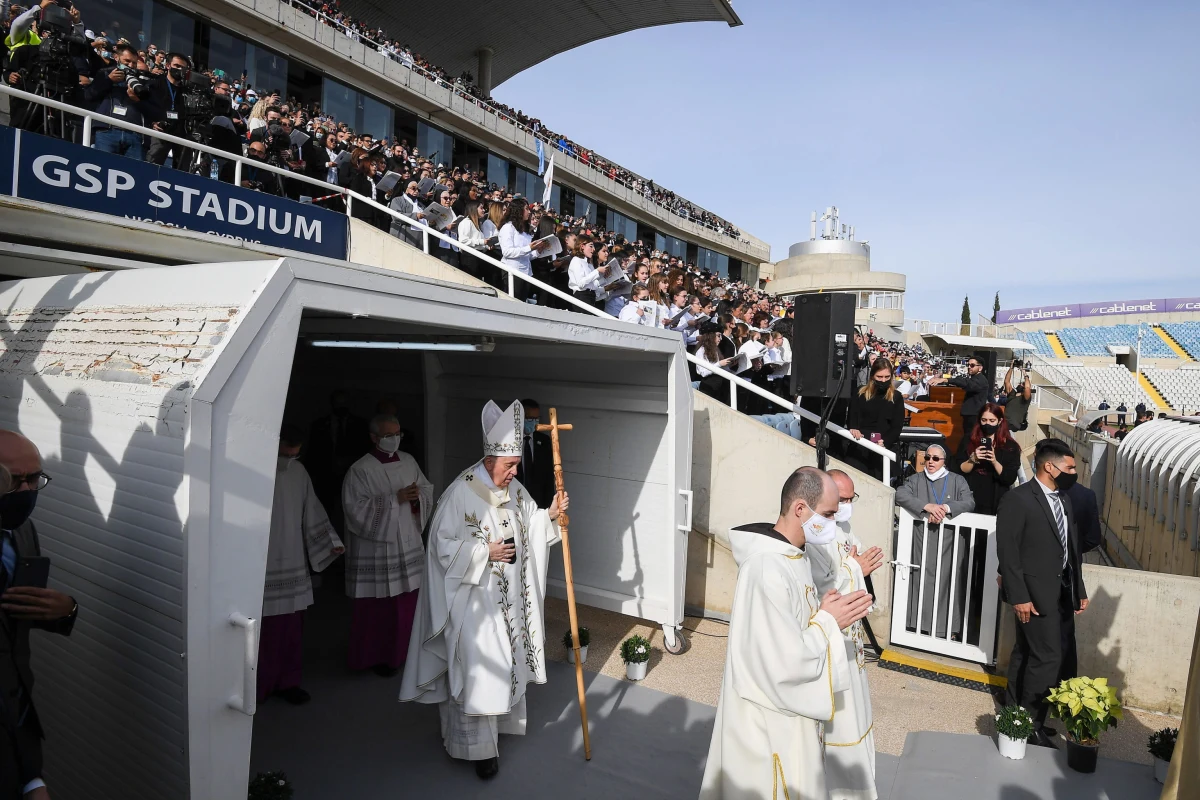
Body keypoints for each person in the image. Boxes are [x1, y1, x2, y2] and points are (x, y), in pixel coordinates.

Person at [400, 400, 568, 780]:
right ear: (489, 459)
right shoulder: (461, 492)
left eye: (515, 466)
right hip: (473, 606)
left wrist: (550, 516)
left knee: (504, 667)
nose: (514, 472)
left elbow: (529, 522)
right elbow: (440, 546)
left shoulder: (514, 486)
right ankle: (477, 750)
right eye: (509, 466)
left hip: (507, 606)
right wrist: (483, 552)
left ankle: (495, 734)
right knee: (479, 674)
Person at [700, 467, 872, 800]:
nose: (834, 524)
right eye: (829, 514)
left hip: (790, 720)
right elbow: (782, 662)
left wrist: (822, 612)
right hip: (767, 726)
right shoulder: (766, 568)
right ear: (799, 510)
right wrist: (827, 622)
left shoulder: (795, 557)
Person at [0, 429, 79, 800]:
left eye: (36, 479)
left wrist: (65, 610)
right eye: (17, 480)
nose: (29, 491)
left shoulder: (22, 531)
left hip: (17, 725)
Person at [997, 439, 1088, 748]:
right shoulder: (1018, 500)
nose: (1074, 472)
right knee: (1048, 657)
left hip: (1061, 591)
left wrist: (1079, 590)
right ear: (1050, 466)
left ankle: (1015, 715)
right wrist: (1019, 596)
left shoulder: (1064, 499)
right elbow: (1008, 553)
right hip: (1033, 594)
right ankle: (1031, 724)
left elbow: (1071, 550)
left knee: (1027, 653)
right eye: (1070, 467)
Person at [807, 469, 883, 800]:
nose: (848, 506)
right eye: (844, 500)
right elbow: (823, 593)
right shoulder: (815, 538)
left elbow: (853, 573)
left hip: (852, 643)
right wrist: (856, 569)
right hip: (830, 643)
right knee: (838, 722)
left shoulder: (845, 530)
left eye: (853, 499)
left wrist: (859, 571)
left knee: (857, 711)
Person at [341, 414, 433, 676]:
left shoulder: (408, 460)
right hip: (378, 548)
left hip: (407, 539)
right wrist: (395, 499)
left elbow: (425, 488)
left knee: (407, 604)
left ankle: (406, 652)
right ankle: (376, 656)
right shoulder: (360, 469)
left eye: (398, 434)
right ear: (373, 437)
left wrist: (418, 498)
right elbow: (353, 510)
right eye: (388, 435)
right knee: (378, 608)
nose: (395, 440)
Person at [258, 424, 344, 705]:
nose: (289, 461)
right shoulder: (253, 469)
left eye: (294, 455)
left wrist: (327, 541)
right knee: (261, 630)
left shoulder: (299, 472)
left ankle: (288, 681)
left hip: (292, 557)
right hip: (260, 560)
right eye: (284, 454)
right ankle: (258, 685)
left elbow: (312, 510)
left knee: (291, 626)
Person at [894, 444, 976, 638]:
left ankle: (946, 628)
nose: (930, 462)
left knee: (948, 582)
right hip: (922, 540)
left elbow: (969, 502)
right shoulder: (915, 479)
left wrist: (945, 508)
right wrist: (926, 506)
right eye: (928, 458)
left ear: (944, 461)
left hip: (950, 542)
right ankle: (915, 624)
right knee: (919, 580)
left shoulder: (957, 480)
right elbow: (900, 494)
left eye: (935, 458)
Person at [1059, 476, 1101, 684]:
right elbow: (1093, 538)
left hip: (1038, 576)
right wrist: (1073, 552)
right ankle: (1064, 690)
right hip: (1070, 575)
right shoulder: (1086, 495)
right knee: (1065, 635)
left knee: (1030, 639)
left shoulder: (1032, 494)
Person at [955, 403, 1020, 515]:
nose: (987, 424)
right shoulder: (968, 440)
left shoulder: (1009, 446)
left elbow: (1009, 478)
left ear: (999, 421)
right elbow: (958, 469)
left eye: (991, 420)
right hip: (970, 496)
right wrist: (973, 459)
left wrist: (994, 461)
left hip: (995, 499)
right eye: (984, 420)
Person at [847, 358, 906, 482]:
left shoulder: (896, 397)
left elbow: (897, 426)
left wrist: (885, 442)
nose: (883, 380)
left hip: (883, 447)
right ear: (872, 376)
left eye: (886, 377)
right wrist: (853, 429)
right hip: (860, 446)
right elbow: (852, 417)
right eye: (879, 377)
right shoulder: (860, 393)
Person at [499, 198, 550, 303]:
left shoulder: (525, 232)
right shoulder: (508, 227)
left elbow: (527, 256)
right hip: (512, 272)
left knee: (522, 303)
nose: (529, 212)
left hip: (526, 273)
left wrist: (538, 251)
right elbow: (507, 252)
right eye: (526, 209)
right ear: (518, 210)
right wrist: (529, 248)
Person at [931, 356, 989, 438]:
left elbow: (967, 384)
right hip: (971, 416)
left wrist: (946, 380)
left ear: (980, 368)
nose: (969, 367)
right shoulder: (974, 378)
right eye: (968, 365)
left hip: (974, 416)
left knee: (969, 440)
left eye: (972, 365)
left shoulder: (980, 380)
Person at [514, 399, 555, 509]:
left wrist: (549, 507)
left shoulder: (544, 441)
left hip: (538, 502)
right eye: (529, 418)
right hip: (515, 500)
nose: (533, 422)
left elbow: (548, 476)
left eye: (536, 418)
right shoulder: (510, 440)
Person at [1002, 363, 1033, 432]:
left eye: (1023, 384)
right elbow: (1006, 381)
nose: (1020, 385)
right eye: (1021, 383)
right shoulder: (1012, 394)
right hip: (1004, 424)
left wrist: (1024, 373)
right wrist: (1011, 368)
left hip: (1013, 426)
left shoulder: (1025, 398)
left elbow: (1027, 388)